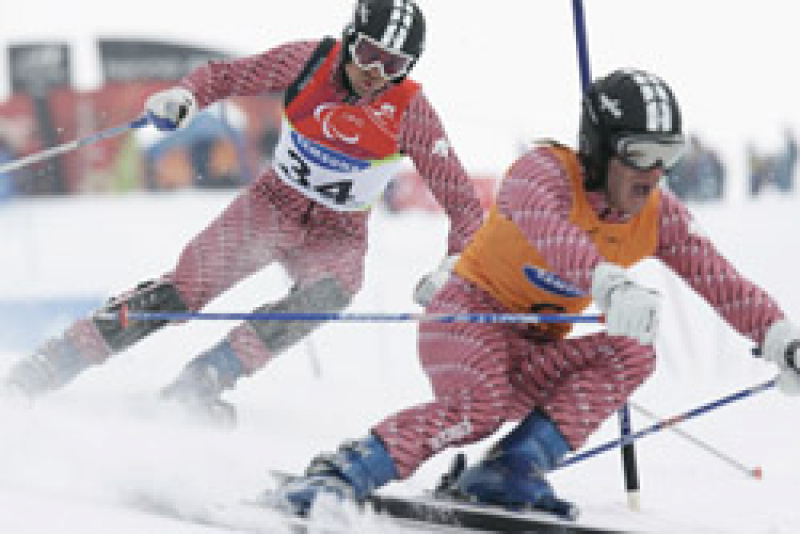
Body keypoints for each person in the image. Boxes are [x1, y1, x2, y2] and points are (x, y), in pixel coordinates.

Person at [274, 68, 800, 518]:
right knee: (478, 406)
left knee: (632, 352)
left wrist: (781, 340)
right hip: (467, 321)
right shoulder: (542, 173)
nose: (655, 174)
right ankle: (346, 470)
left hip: (533, 353)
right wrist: (608, 282)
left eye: (670, 156)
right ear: (600, 149)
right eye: (642, 154)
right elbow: (551, 233)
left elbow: (722, 280)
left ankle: (510, 468)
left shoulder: (657, 214)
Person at [2, 0, 484, 422]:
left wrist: (453, 266)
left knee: (329, 294)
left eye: (394, 64)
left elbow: (463, 203)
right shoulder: (310, 61)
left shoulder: (410, 110)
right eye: (368, 55)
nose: (377, 73)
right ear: (350, 40)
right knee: (184, 292)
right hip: (273, 204)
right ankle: (51, 364)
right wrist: (187, 96)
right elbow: (224, 76)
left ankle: (203, 383)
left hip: (337, 231)